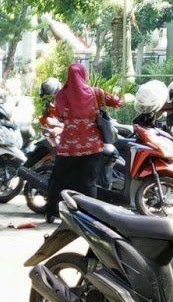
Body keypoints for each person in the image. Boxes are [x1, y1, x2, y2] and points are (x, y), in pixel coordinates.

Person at [44, 62, 121, 222]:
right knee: (89, 182)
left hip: (68, 147)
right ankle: (89, 216)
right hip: (92, 147)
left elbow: (59, 117)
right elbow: (116, 102)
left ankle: (52, 211)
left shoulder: (61, 96)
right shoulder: (96, 93)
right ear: (84, 75)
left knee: (58, 179)